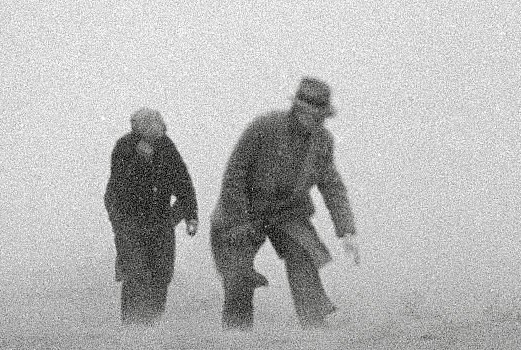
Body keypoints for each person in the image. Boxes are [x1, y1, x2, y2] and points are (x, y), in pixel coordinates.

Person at [210, 77, 359, 330]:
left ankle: (315, 328)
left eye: (322, 117)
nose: (318, 122)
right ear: (298, 110)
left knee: (304, 255)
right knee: (237, 275)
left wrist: (346, 229)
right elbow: (235, 173)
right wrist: (239, 220)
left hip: (288, 213)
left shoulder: (322, 141)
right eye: (313, 116)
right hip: (243, 209)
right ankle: (237, 336)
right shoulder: (265, 127)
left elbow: (332, 185)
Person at [104, 108, 199, 325]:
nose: (157, 131)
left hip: (160, 221)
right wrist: (140, 160)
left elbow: (183, 181)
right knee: (135, 273)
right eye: (149, 127)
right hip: (130, 221)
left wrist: (190, 215)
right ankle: (133, 325)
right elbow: (120, 185)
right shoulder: (125, 146)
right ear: (137, 127)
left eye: (159, 127)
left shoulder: (167, 147)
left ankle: (154, 323)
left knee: (162, 274)